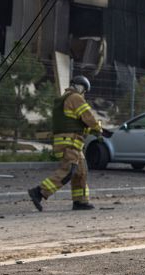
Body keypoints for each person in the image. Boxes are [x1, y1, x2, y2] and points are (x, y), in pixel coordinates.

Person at [28, 75, 103, 211]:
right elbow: (88, 117)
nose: (84, 93)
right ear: (80, 87)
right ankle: (39, 192)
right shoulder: (75, 97)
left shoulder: (63, 98)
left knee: (81, 172)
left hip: (68, 141)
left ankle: (80, 201)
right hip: (70, 142)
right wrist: (98, 128)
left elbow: (74, 121)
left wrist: (89, 130)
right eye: (84, 90)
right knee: (68, 170)